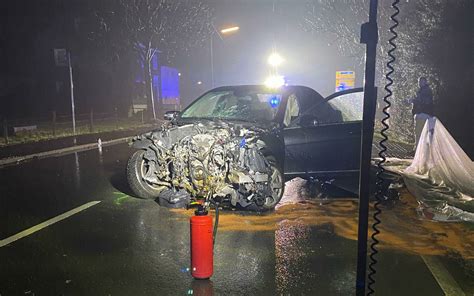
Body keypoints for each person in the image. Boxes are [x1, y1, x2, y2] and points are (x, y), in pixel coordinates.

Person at [408, 77, 434, 149]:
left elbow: (425, 101)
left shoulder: (426, 91)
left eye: (422, 81)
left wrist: (414, 100)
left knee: (420, 133)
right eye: (419, 82)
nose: (420, 83)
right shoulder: (422, 91)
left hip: (423, 115)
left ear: (425, 82)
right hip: (422, 115)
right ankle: (419, 150)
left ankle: (419, 151)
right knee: (420, 133)